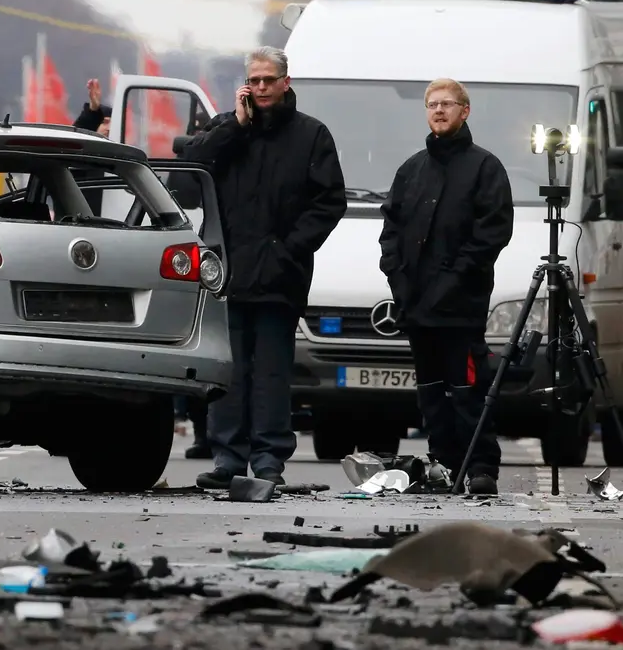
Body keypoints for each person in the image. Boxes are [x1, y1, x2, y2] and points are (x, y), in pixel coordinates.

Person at [178, 46, 347, 488]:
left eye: (269, 80)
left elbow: (329, 202)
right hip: (229, 276)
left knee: (272, 374)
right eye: (253, 80)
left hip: (280, 277)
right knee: (227, 372)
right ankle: (227, 460)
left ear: (286, 82)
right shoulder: (227, 130)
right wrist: (234, 126)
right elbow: (188, 174)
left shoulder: (311, 135)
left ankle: (269, 462)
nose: (261, 88)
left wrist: (288, 248)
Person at [379, 78, 513, 496]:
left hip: (461, 306)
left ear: (464, 111)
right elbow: (391, 231)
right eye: (432, 104)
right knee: (431, 392)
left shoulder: (485, 168)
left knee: (468, 389)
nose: (438, 111)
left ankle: (480, 467)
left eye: (447, 104)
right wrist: (398, 280)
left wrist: (453, 280)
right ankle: (443, 464)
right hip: (416, 306)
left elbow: (492, 233)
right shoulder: (412, 169)